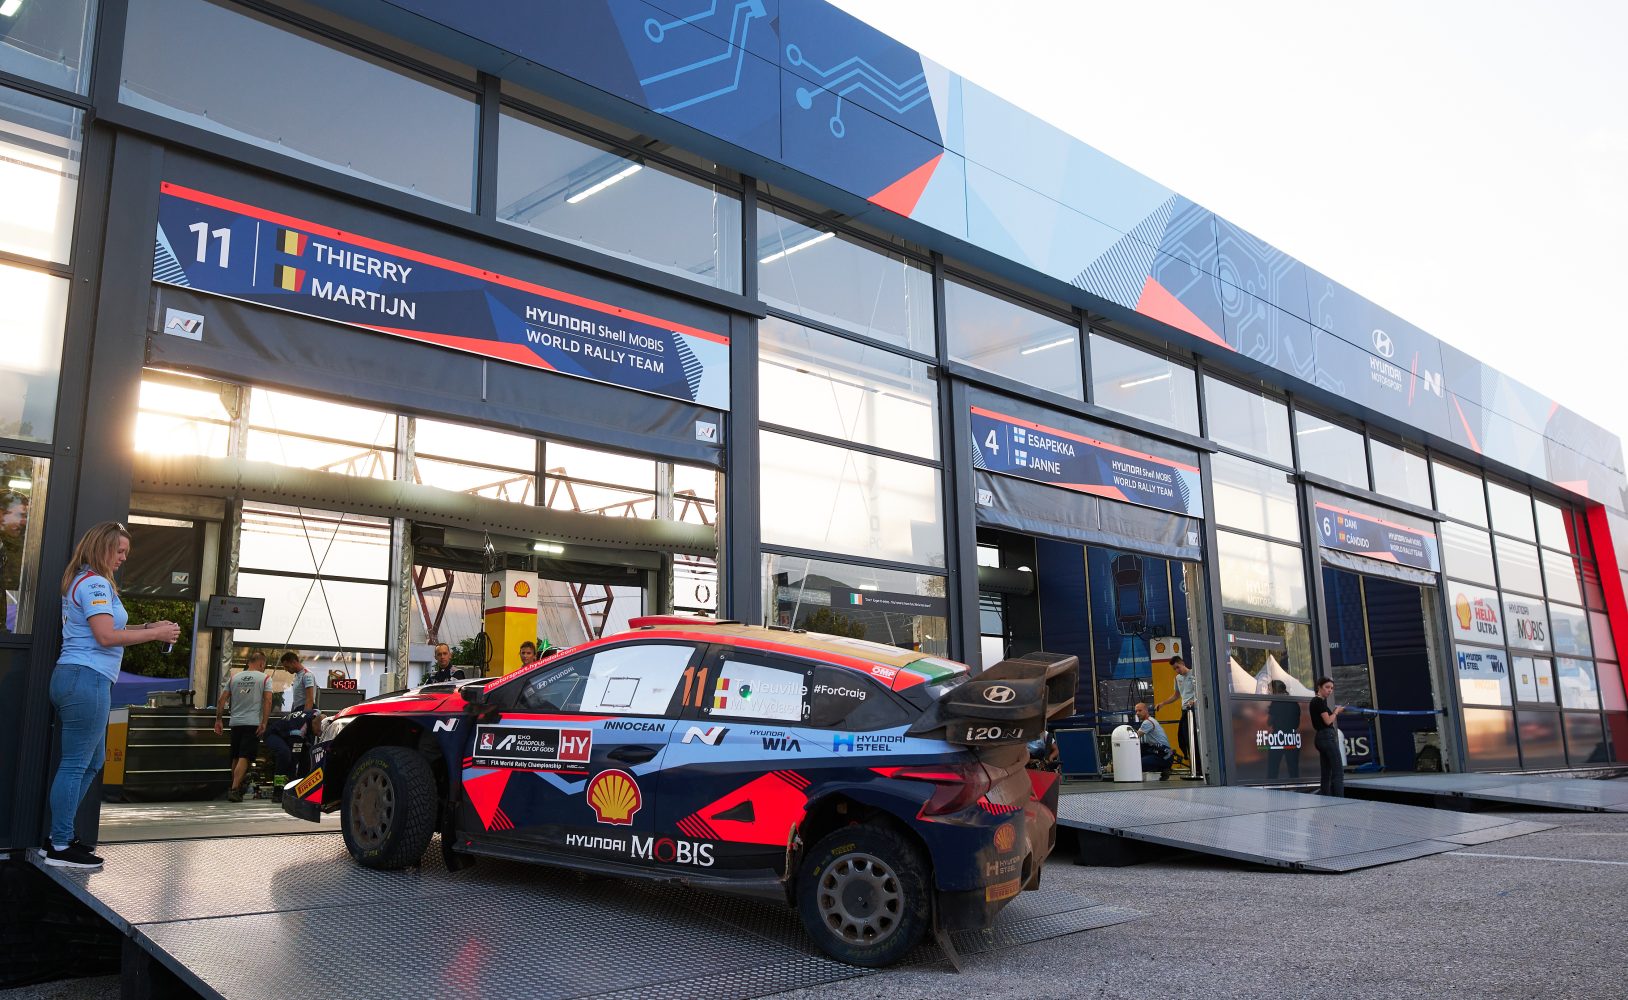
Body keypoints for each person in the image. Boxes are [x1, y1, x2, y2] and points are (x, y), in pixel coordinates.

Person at [44, 523, 181, 869]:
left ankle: (60, 837)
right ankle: (59, 844)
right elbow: (106, 636)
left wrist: (149, 628)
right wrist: (154, 636)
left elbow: (108, 629)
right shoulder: (95, 584)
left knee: (91, 762)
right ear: (100, 547)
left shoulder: (87, 580)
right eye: (119, 551)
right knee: (76, 764)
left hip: (79, 678)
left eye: (125, 553)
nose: (123, 558)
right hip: (85, 679)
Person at [215, 652, 273, 802]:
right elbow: (268, 701)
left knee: (235, 756)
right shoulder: (265, 678)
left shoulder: (234, 678)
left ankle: (235, 786)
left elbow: (221, 700)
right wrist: (264, 722)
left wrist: (218, 720)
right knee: (245, 757)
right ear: (261, 664)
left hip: (235, 723)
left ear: (248, 662)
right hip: (252, 723)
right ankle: (234, 789)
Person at [1155, 654, 1201, 779]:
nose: (1177, 670)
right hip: (1185, 710)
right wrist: (1163, 703)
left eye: (1178, 667)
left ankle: (1199, 768)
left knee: (1195, 739)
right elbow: (1176, 695)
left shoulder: (1194, 674)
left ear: (1183, 663)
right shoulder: (1177, 678)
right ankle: (1193, 765)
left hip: (1194, 710)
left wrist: (1194, 702)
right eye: (1174, 669)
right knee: (1184, 738)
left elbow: (1200, 691)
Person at [1310, 676, 1345, 796]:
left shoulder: (1318, 702)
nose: (1330, 690)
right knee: (1338, 771)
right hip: (1326, 736)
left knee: (1326, 772)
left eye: (1332, 688)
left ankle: (1326, 798)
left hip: (1321, 738)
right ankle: (1340, 800)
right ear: (1319, 687)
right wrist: (1336, 712)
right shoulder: (1319, 701)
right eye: (1327, 687)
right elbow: (1328, 721)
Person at [1265, 679, 1303, 781]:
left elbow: (1269, 722)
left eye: (1270, 690)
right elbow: (1297, 723)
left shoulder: (1276, 702)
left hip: (1278, 737)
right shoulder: (1294, 702)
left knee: (1273, 768)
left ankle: (1272, 789)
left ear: (1275, 690)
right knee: (1293, 769)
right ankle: (1296, 787)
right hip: (1292, 737)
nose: (1269, 693)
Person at [1133, 701, 1174, 780]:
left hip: (1163, 755)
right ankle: (1163, 768)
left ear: (1146, 710)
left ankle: (1162, 768)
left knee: (1137, 764)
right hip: (1162, 754)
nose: (1137, 713)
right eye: (1136, 711)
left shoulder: (1147, 722)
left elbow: (1134, 737)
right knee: (1140, 749)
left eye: (1140, 710)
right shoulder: (1148, 721)